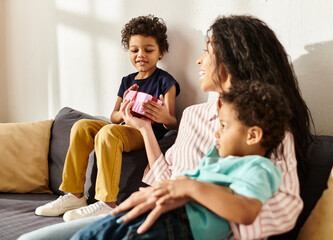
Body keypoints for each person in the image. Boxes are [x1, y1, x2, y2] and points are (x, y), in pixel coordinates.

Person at [18, 14, 313, 240]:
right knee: (34, 237)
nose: (199, 60)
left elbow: (284, 211)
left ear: (232, 61)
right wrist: (145, 129)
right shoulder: (194, 115)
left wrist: (191, 193)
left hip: (184, 228)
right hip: (150, 214)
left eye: (208, 51)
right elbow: (166, 178)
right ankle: (77, 198)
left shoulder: (261, 129)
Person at [71, 80, 293, 240]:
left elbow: (246, 212)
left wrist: (190, 188)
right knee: (86, 236)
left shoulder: (260, 167)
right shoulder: (214, 154)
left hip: (179, 225)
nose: (217, 133)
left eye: (224, 126)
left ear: (252, 135)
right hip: (153, 209)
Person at [34, 15, 180, 222]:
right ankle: (75, 195)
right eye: (134, 50)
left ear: (160, 53)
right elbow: (114, 117)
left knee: (108, 133)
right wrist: (124, 112)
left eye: (148, 50)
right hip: (123, 128)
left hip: (145, 134)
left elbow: (173, 122)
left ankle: (107, 203)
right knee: (82, 126)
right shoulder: (127, 81)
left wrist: (164, 116)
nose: (141, 55)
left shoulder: (166, 81)